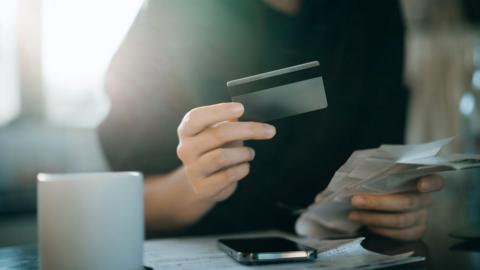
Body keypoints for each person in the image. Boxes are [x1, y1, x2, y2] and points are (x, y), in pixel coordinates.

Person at [98, 0, 443, 241]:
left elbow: (381, 165)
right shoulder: (170, 17)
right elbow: (128, 207)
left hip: (345, 254)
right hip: (201, 249)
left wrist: (398, 215)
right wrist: (195, 185)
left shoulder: (373, 13)